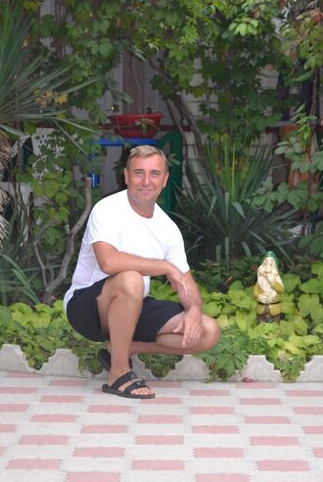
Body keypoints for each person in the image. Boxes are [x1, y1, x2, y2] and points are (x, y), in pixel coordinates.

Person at [64, 145, 220, 399]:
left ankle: (125, 347)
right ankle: (118, 374)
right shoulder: (108, 209)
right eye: (139, 173)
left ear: (165, 179)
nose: (147, 181)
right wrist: (165, 266)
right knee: (131, 279)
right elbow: (108, 262)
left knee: (208, 330)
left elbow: (186, 283)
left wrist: (193, 309)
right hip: (88, 307)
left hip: (133, 305)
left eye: (154, 174)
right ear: (126, 176)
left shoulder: (167, 228)